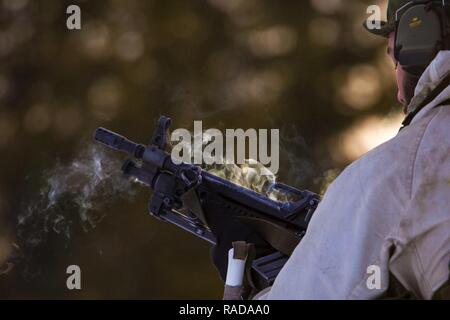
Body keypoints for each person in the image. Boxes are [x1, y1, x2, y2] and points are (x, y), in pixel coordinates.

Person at [252, 0, 450, 299]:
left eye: (394, 58)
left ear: (419, 41)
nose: (398, 92)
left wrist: (251, 291)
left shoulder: (395, 170)